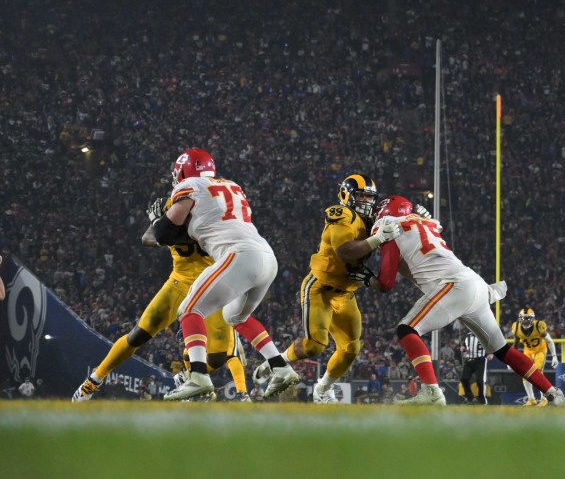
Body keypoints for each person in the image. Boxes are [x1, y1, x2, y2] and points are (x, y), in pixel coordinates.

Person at [371, 195, 565, 406]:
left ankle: (432, 392)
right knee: (503, 351)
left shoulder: (388, 227)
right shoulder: (425, 223)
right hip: (477, 285)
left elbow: (386, 283)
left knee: (407, 329)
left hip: (454, 286)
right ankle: (553, 393)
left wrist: (366, 278)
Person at [156, 148, 300, 401]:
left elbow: (164, 233)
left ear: (184, 171)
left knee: (189, 309)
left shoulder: (190, 185)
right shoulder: (231, 185)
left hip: (240, 255)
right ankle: (280, 367)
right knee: (235, 316)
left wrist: (158, 219)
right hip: (266, 256)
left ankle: (198, 376)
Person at [73, 193, 245, 402]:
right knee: (138, 335)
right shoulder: (172, 203)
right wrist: (162, 228)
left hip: (212, 284)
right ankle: (93, 381)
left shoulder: (219, 208)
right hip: (180, 282)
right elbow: (147, 238)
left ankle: (186, 377)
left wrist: (167, 229)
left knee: (218, 358)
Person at [279, 174, 380, 404]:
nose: (366, 201)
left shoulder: (373, 220)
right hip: (320, 288)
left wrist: (417, 218)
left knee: (351, 348)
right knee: (315, 347)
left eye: (369, 197)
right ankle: (279, 361)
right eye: (362, 195)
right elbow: (345, 251)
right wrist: (376, 240)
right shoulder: (341, 213)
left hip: (345, 293)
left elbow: (398, 219)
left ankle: (323, 389)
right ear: (347, 195)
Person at [510, 307, 559, 405]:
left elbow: (549, 341)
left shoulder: (538, 326)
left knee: (537, 372)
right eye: (524, 319)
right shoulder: (517, 327)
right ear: (520, 319)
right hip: (528, 351)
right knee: (525, 374)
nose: (525, 321)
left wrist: (554, 356)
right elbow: (515, 345)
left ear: (532, 319)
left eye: (528, 319)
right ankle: (531, 399)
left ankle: (544, 399)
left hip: (540, 350)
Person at [459, 331, 487, 404]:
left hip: (479, 361)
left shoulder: (483, 335)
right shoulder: (467, 335)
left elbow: (490, 346)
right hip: (469, 361)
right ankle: (470, 398)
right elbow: (463, 345)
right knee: (463, 379)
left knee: (480, 381)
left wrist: (490, 354)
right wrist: (463, 347)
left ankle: (481, 399)